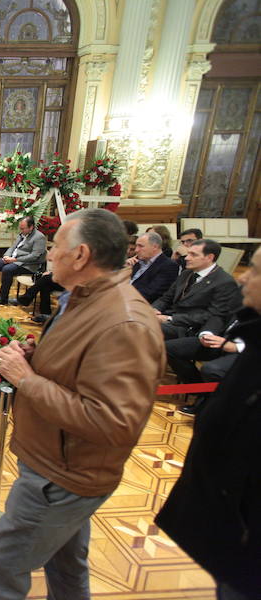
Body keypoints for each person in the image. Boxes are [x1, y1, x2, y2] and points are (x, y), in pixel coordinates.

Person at [0, 209, 165, 599]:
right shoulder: (84, 299)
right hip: (57, 462)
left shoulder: (126, 324)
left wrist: (26, 379)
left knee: (1, 568)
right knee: (66, 567)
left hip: (63, 476)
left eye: (56, 248)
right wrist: (37, 354)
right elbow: (79, 366)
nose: (49, 255)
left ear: (80, 256)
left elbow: (112, 422)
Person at [155, 245, 261, 599]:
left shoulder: (227, 290)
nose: (245, 275)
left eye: (256, 270)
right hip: (224, 519)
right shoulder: (256, 331)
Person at [152, 239, 242, 340]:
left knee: (142, 327)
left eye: (193, 255)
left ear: (209, 257)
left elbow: (212, 315)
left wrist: (170, 319)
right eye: (188, 253)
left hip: (189, 327)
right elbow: (166, 298)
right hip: (169, 317)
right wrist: (154, 310)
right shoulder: (187, 273)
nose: (186, 258)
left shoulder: (224, 281)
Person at [166, 307, 245, 417]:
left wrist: (237, 347)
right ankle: (200, 391)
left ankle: (208, 402)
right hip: (221, 339)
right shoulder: (247, 297)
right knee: (169, 349)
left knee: (211, 370)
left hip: (248, 351)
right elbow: (220, 315)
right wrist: (207, 333)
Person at [0, 215, 46, 305]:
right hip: (14, 259)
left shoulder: (39, 237)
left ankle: (3, 298)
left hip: (28, 264)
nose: (21, 231)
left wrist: (15, 259)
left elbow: (34, 256)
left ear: (31, 227)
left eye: (23, 229)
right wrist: (6, 256)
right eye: (20, 228)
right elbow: (13, 247)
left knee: (7, 270)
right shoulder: (22, 234)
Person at [127, 231, 179, 302]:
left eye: (140, 246)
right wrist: (124, 269)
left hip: (142, 304)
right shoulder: (135, 262)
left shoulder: (168, 266)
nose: (136, 250)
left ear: (155, 247)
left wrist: (122, 295)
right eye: (136, 246)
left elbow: (151, 293)